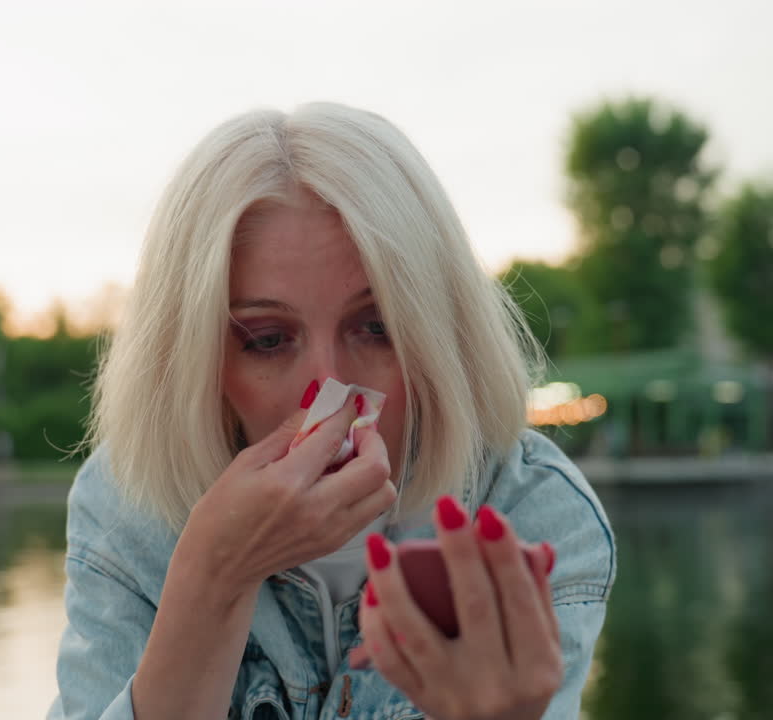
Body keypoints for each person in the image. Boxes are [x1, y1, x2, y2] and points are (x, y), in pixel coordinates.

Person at [48, 102, 616, 720]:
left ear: (437, 336)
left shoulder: (528, 513)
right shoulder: (127, 509)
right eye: (267, 339)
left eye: (376, 326)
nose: (331, 389)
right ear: (195, 364)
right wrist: (214, 578)